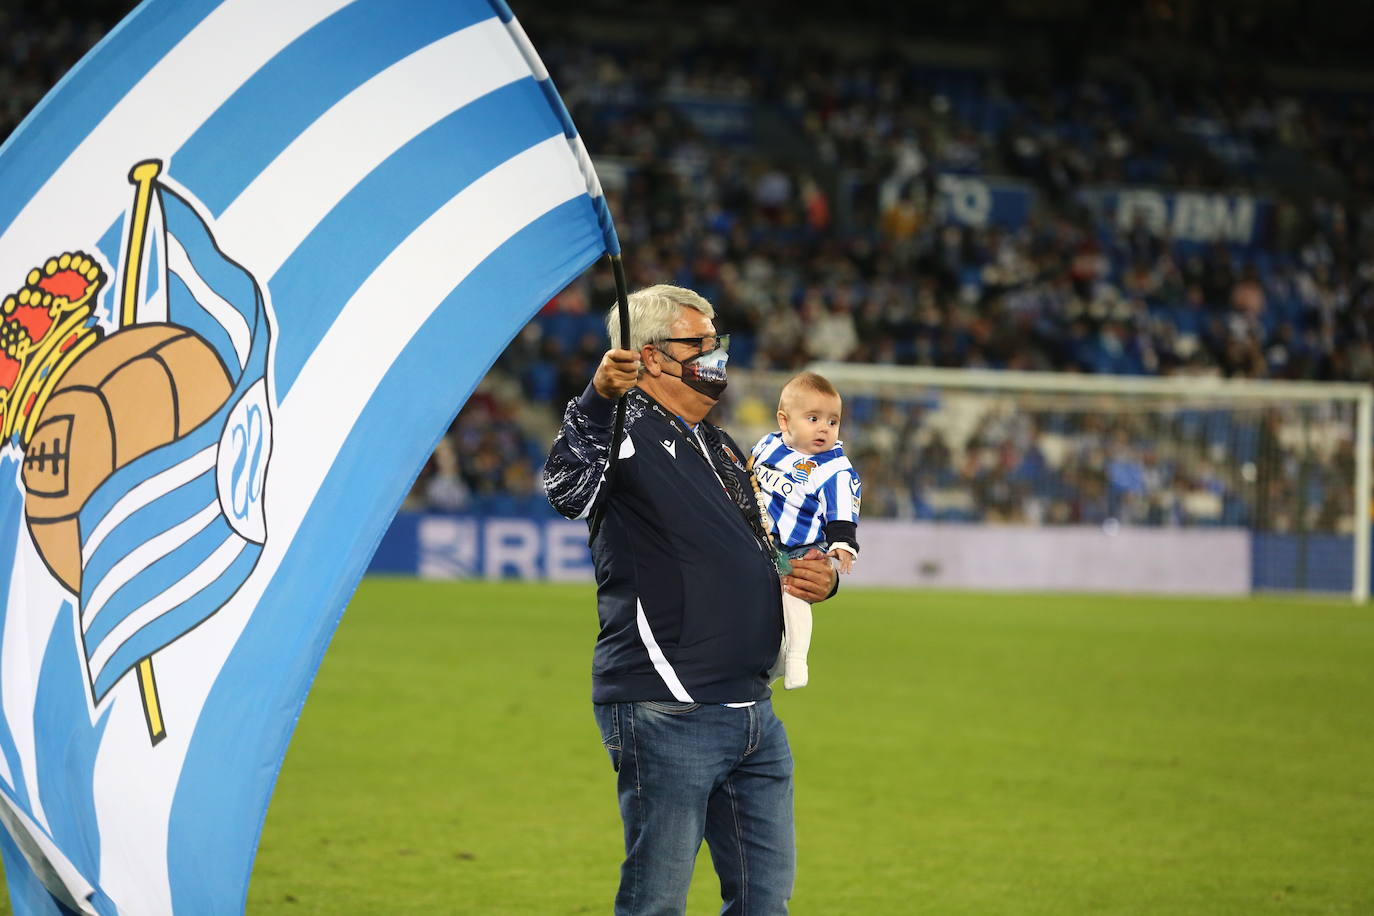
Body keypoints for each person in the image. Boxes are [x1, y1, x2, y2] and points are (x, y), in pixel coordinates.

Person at [543, 284, 837, 915]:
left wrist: (817, 575)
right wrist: (598, 397)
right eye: (700, 343)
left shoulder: (721, 445)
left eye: (717, 341)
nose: (716, 354)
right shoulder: (622, 425)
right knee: (657, 905)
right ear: (651, 356)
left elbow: (765, 548)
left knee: (764, 905)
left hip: (752, 712)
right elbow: (565, 488)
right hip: (667, 706)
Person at [751, 372, 861, 689]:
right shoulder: (767, 445)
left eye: (833, 421)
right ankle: (774, 662)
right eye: (813, 418)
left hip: (796, 551)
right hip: (755, 545)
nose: (824, 428)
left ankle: (798, 659)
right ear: (785, 422)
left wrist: (843, 543)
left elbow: (842, 514)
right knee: (757, 615)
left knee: (794, 593)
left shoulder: (835, 468)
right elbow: (748, 475)